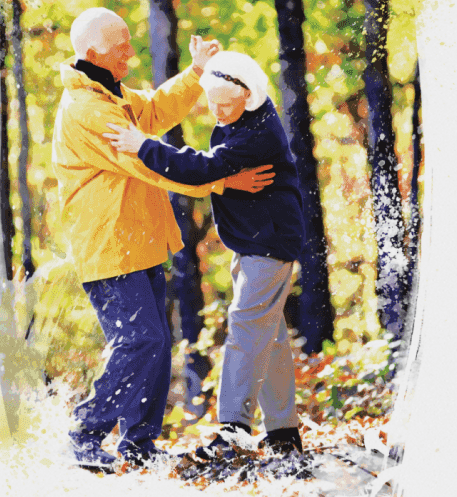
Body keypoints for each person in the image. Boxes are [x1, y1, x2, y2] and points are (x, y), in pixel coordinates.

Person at [51, 8, 273, 471]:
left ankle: (139, 445)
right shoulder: (87, 110)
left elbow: (152, 111)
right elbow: (148, 162)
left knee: (154, 344)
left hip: (140, 242)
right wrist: (222, 181)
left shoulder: (110, 92)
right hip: (110, 249)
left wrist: (194, 74)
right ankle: (84, 433)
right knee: (140, 341)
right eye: (120, 50)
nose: (130, 55)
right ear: (92, 54)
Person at [108, 50, 308, 455]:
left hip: (269, 244)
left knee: (246, 329)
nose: (217, 113)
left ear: (248, 95)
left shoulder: (256, 134)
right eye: (212, 103)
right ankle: (284, 433)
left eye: (225, 105)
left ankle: (233, 430)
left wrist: (143, 146)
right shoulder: (242, 110)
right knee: (267, 337)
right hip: (253, 240)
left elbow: (200, 168)